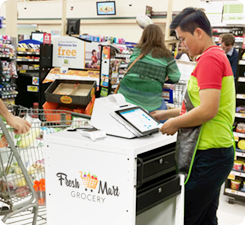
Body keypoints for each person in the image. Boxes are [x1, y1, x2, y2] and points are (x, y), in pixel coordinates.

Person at [151, 7, 235, 225]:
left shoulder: (210, 59)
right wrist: (167, 113)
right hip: (217, 152)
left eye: (183, 38)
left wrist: (175, 123)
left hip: (209, 154)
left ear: (198, 33)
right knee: (206, 218)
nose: (182, 45)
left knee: (186, 218)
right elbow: (200, 104)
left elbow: (208, 110)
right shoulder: (215, 56)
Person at [118, 24, 181, 122]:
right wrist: (164, 76)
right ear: (161, 37)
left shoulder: (137, 50)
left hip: (125, 95)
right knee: (162, 118)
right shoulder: (166, 54)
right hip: (150, 99)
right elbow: (176, 77)